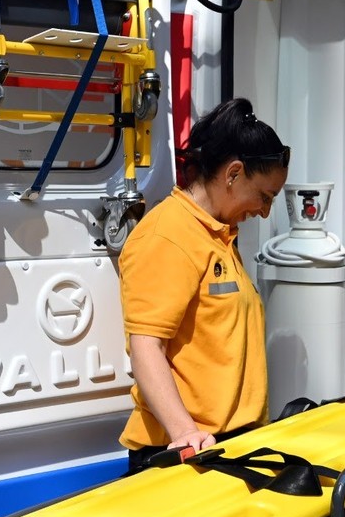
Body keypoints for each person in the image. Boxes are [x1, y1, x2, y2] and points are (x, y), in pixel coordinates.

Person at [118, 97, 290, 475]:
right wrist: (185, 434)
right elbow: (146, 345)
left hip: (228, 444)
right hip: (186, 452)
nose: (265, 211)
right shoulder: (168, 234)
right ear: (233, 174)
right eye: (264, 196)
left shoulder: (218, 234)